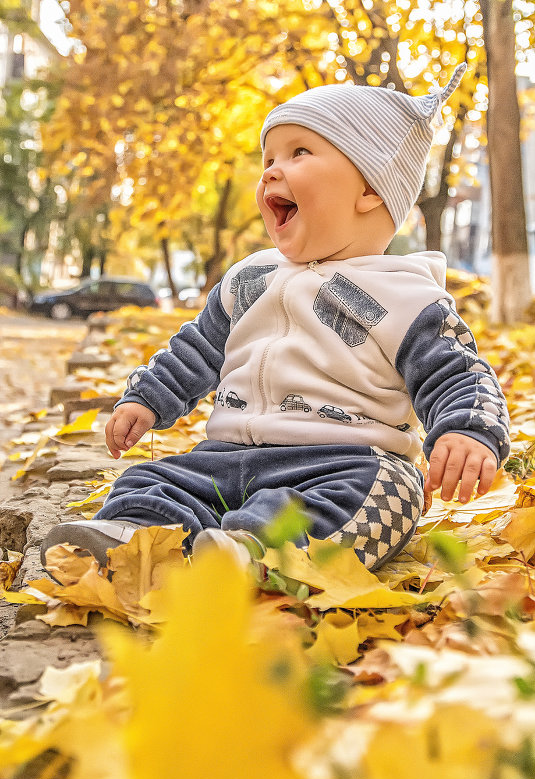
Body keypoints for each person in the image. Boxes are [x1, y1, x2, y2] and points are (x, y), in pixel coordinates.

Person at [41, 62, 510, 572]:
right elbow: (199, 347)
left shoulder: (407, 295)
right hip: (225, 457)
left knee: (388, 494)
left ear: (370, 190)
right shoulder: (252, 276)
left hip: (342, 462)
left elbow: (456, 374)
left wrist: (467, 430)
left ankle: (259, 553)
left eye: (299, 152)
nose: (269, 170)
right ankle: (135, 537)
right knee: (153, 478)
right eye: (268, 157)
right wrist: (148, 399)